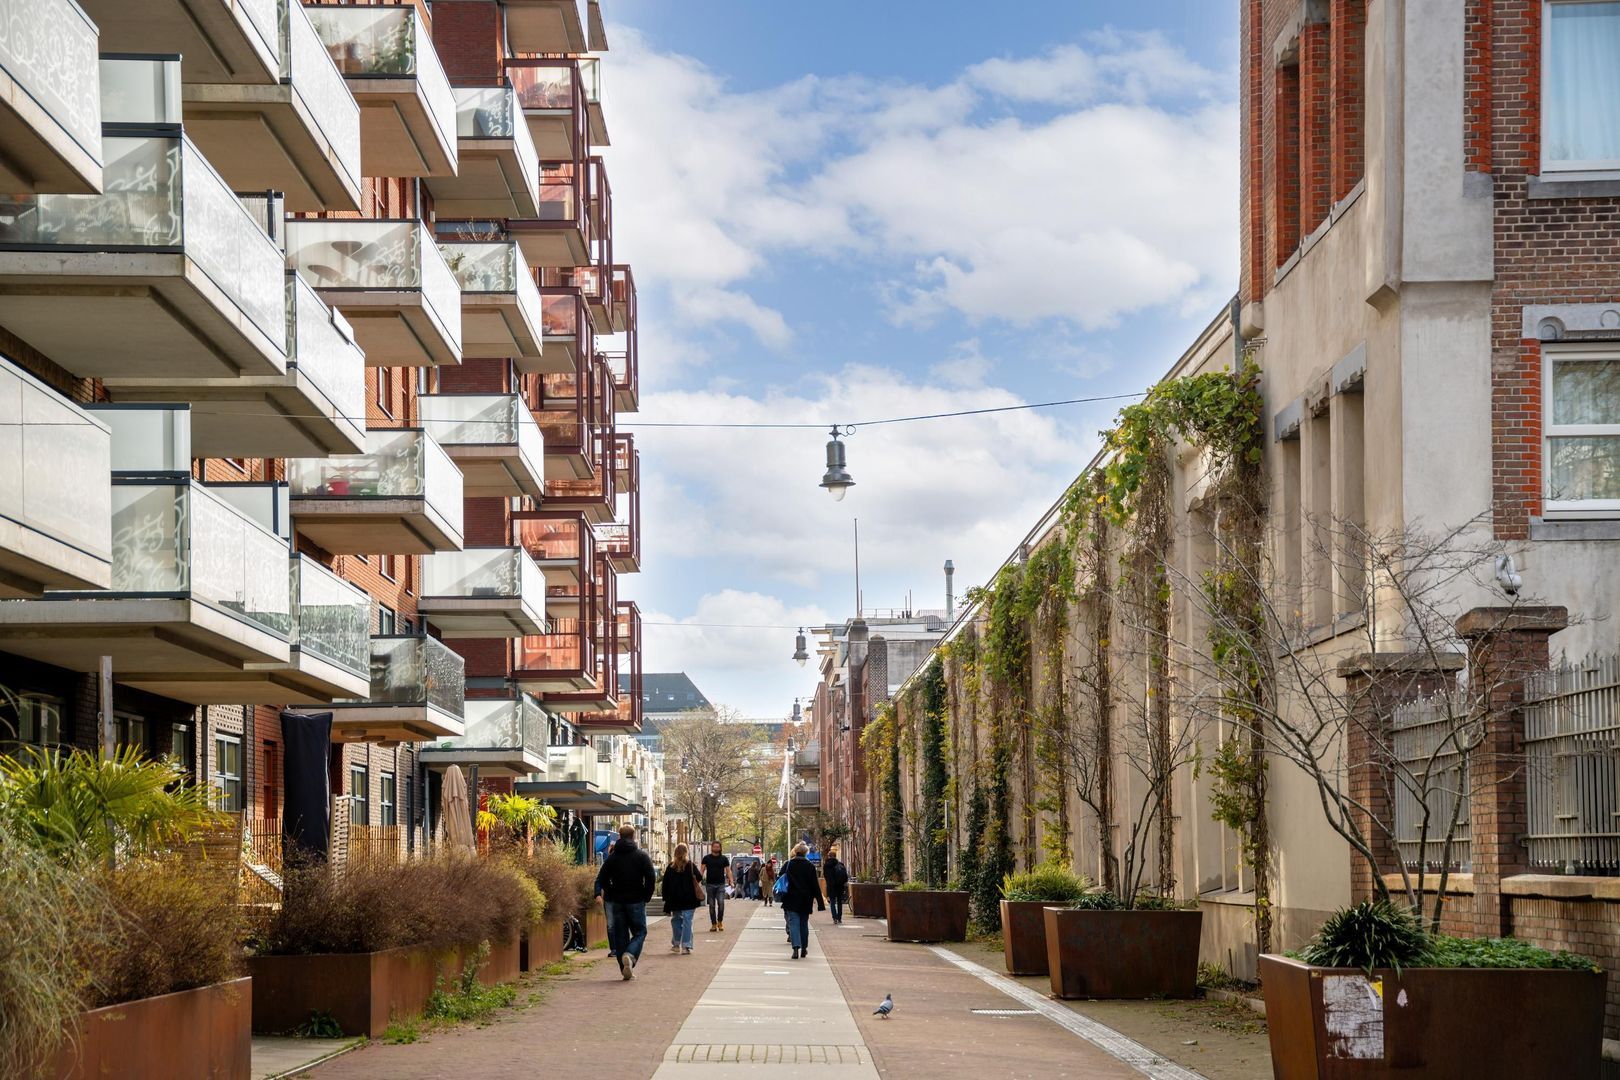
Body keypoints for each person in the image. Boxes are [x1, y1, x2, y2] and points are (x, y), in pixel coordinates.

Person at [597, 824, 656, 980]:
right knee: (640, 932)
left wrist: (611, 891)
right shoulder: (641, 856)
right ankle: (630, 955)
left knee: (620, 936)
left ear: (619, 836)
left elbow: (601, 879)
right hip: (636, 900)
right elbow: (651, 877)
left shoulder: (612, 858)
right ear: (633, 835)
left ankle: (624, 969)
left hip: (617, 901)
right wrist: (646, 895)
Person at [781, 842, 824, 960]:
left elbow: (782, 878)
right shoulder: (810, 866)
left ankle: (795, 948)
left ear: (795, 851)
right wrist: (820, 903)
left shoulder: (789, 864)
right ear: (806, 852)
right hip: (806, 899)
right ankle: (804, 948)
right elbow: (815, 885)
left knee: (793, 923)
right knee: (803, 924)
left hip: (791, 898)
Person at [660, 843, 704, 955]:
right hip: (688, 898)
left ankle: (676, 944)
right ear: (686, 853)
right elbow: (699, 877)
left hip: (674, 899)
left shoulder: (670, 867)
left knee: (676, 920)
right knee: (687, 921)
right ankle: (686, 946)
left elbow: (665, 884)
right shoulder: (690, 866)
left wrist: (665, 898)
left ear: (675, 853)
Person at [700, 841, 731, 931]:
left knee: (721, 903)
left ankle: (720, 921)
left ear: (720, 848)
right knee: (712, 905)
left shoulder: (724, 859)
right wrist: (698, 881)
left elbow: (728, 871)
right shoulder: (706, 858)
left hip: (721, 884)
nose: (716, 848)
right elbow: (701, 871)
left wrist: (731, 881)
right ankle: (713, 923)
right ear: (712, 848)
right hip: (710, 885)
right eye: (715, 847)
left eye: (718, 847)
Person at [822, 849, 850, 925]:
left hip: (831, 886)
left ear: (829, 856)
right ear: (835, 856)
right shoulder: (840, 864)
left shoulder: (826, 865)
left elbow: (825, 876)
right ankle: (839, 918)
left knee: (832, 902)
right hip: (840, 886)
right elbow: (845, 877)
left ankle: (834, 918)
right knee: (839, 902)